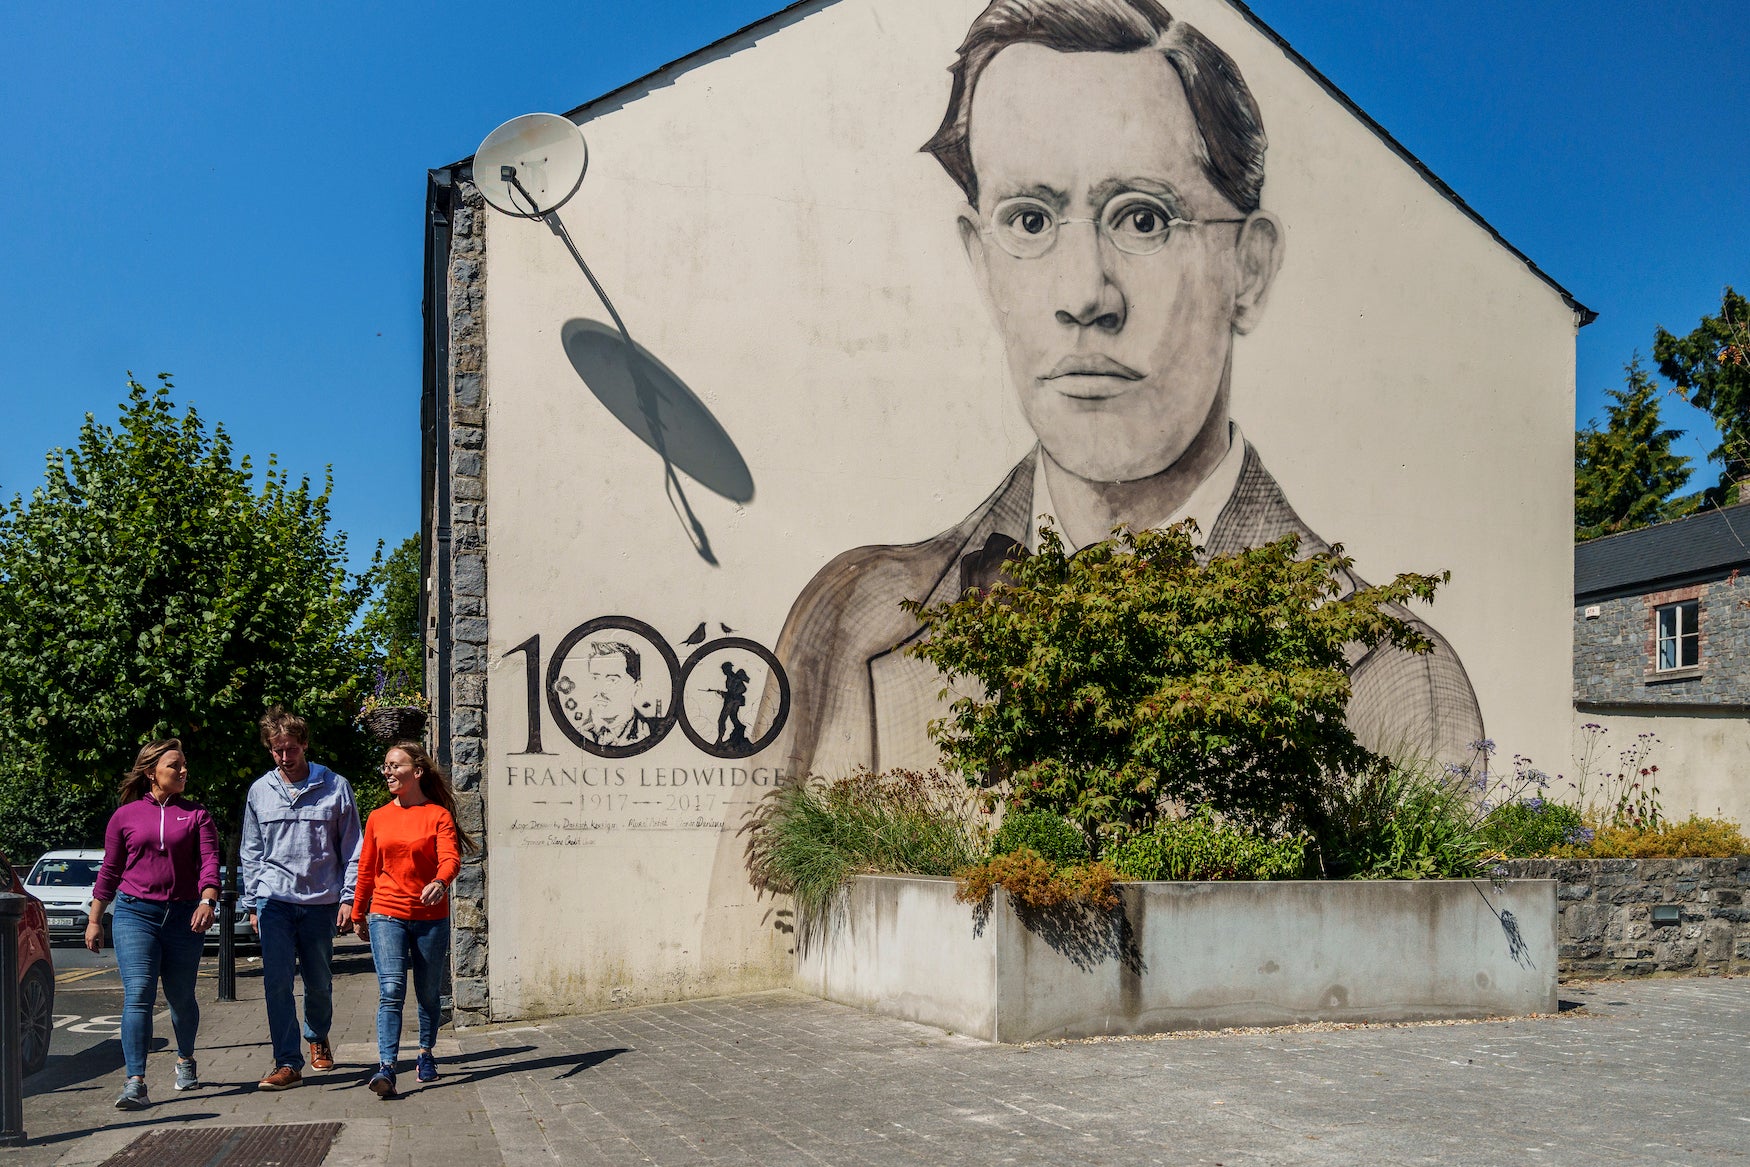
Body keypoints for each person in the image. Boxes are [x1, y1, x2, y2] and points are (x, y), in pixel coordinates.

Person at [765, 0, 1482, 778]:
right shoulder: (852, 624)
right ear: (981, 262)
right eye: (1031, 221)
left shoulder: (1398, 678)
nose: (1085, 294)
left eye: (1142, 219)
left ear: (1249, 268)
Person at [87, 739, 221, 1110]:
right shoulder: (125, 816)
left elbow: (210, 863)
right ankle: (135, 1082)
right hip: (134, 914)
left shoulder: (197, 815)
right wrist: (95, 919)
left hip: (183, 918)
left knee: (181, 998)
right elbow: (110, 871)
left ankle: (186, 1060)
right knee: (139, 994)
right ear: (151, 773)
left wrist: (207, 901)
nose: (183, 771)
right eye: (174, 765)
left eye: (184, 764)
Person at [240, 706, 362, 1091]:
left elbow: (352, 848)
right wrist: (252, 903)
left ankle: (317, 1034)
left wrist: (349, 898)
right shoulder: (260, 791)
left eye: (290, 749)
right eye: (276, 750)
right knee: (276, 982)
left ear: (304, 744)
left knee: (319, 981)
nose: (284, 757)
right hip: (274, 900)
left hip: (320, 901)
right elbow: (252, 850)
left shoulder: (335, 786)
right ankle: (287, 1062)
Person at [351, 741, 475, 1098]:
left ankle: (425, 1052)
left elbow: (450, 859)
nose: (387, 772)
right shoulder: (377, 817)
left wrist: (440, 881)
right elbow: (367, 869)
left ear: (416, 772)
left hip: (429, 917)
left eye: (395, 765)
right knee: (391, 990)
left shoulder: (437, 815)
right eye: (385, 766)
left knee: (427, 994)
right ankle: (387, 1067)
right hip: (386, 913)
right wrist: (359, 912)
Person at [575, 640, 660, 746]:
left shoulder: (651, 733)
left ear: (636, 688)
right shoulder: (578, 732)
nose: (600, 689)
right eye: (595, 678)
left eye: (612, 680)